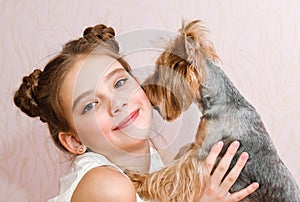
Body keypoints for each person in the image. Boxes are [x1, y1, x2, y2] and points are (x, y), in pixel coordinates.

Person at [14, 23, 259, 202]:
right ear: (74, 140)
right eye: (90, 105)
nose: (117, 104)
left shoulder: (153, 163)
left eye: (119, 83)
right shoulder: (108, 187)